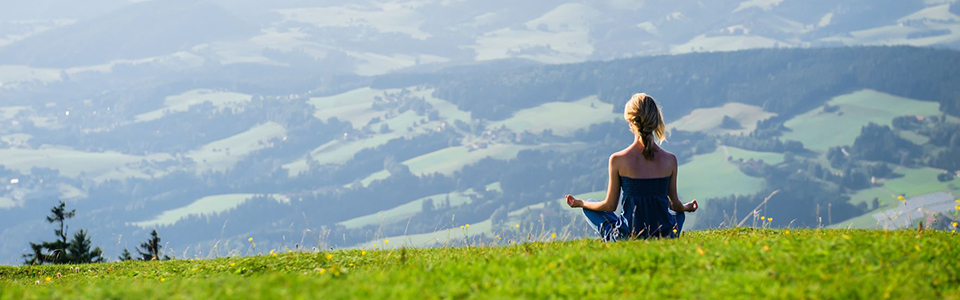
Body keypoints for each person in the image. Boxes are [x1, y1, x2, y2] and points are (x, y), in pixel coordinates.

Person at [565, 93, 697, 240]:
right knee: (678, 215)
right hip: (663, 235)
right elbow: (675, 206)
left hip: (628, 236)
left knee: (590, 204)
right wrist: (686, 208)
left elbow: (609, 206)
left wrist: (580, 203)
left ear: (631, 122)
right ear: (656, 121)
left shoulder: (617, 160)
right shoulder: (670, 160)